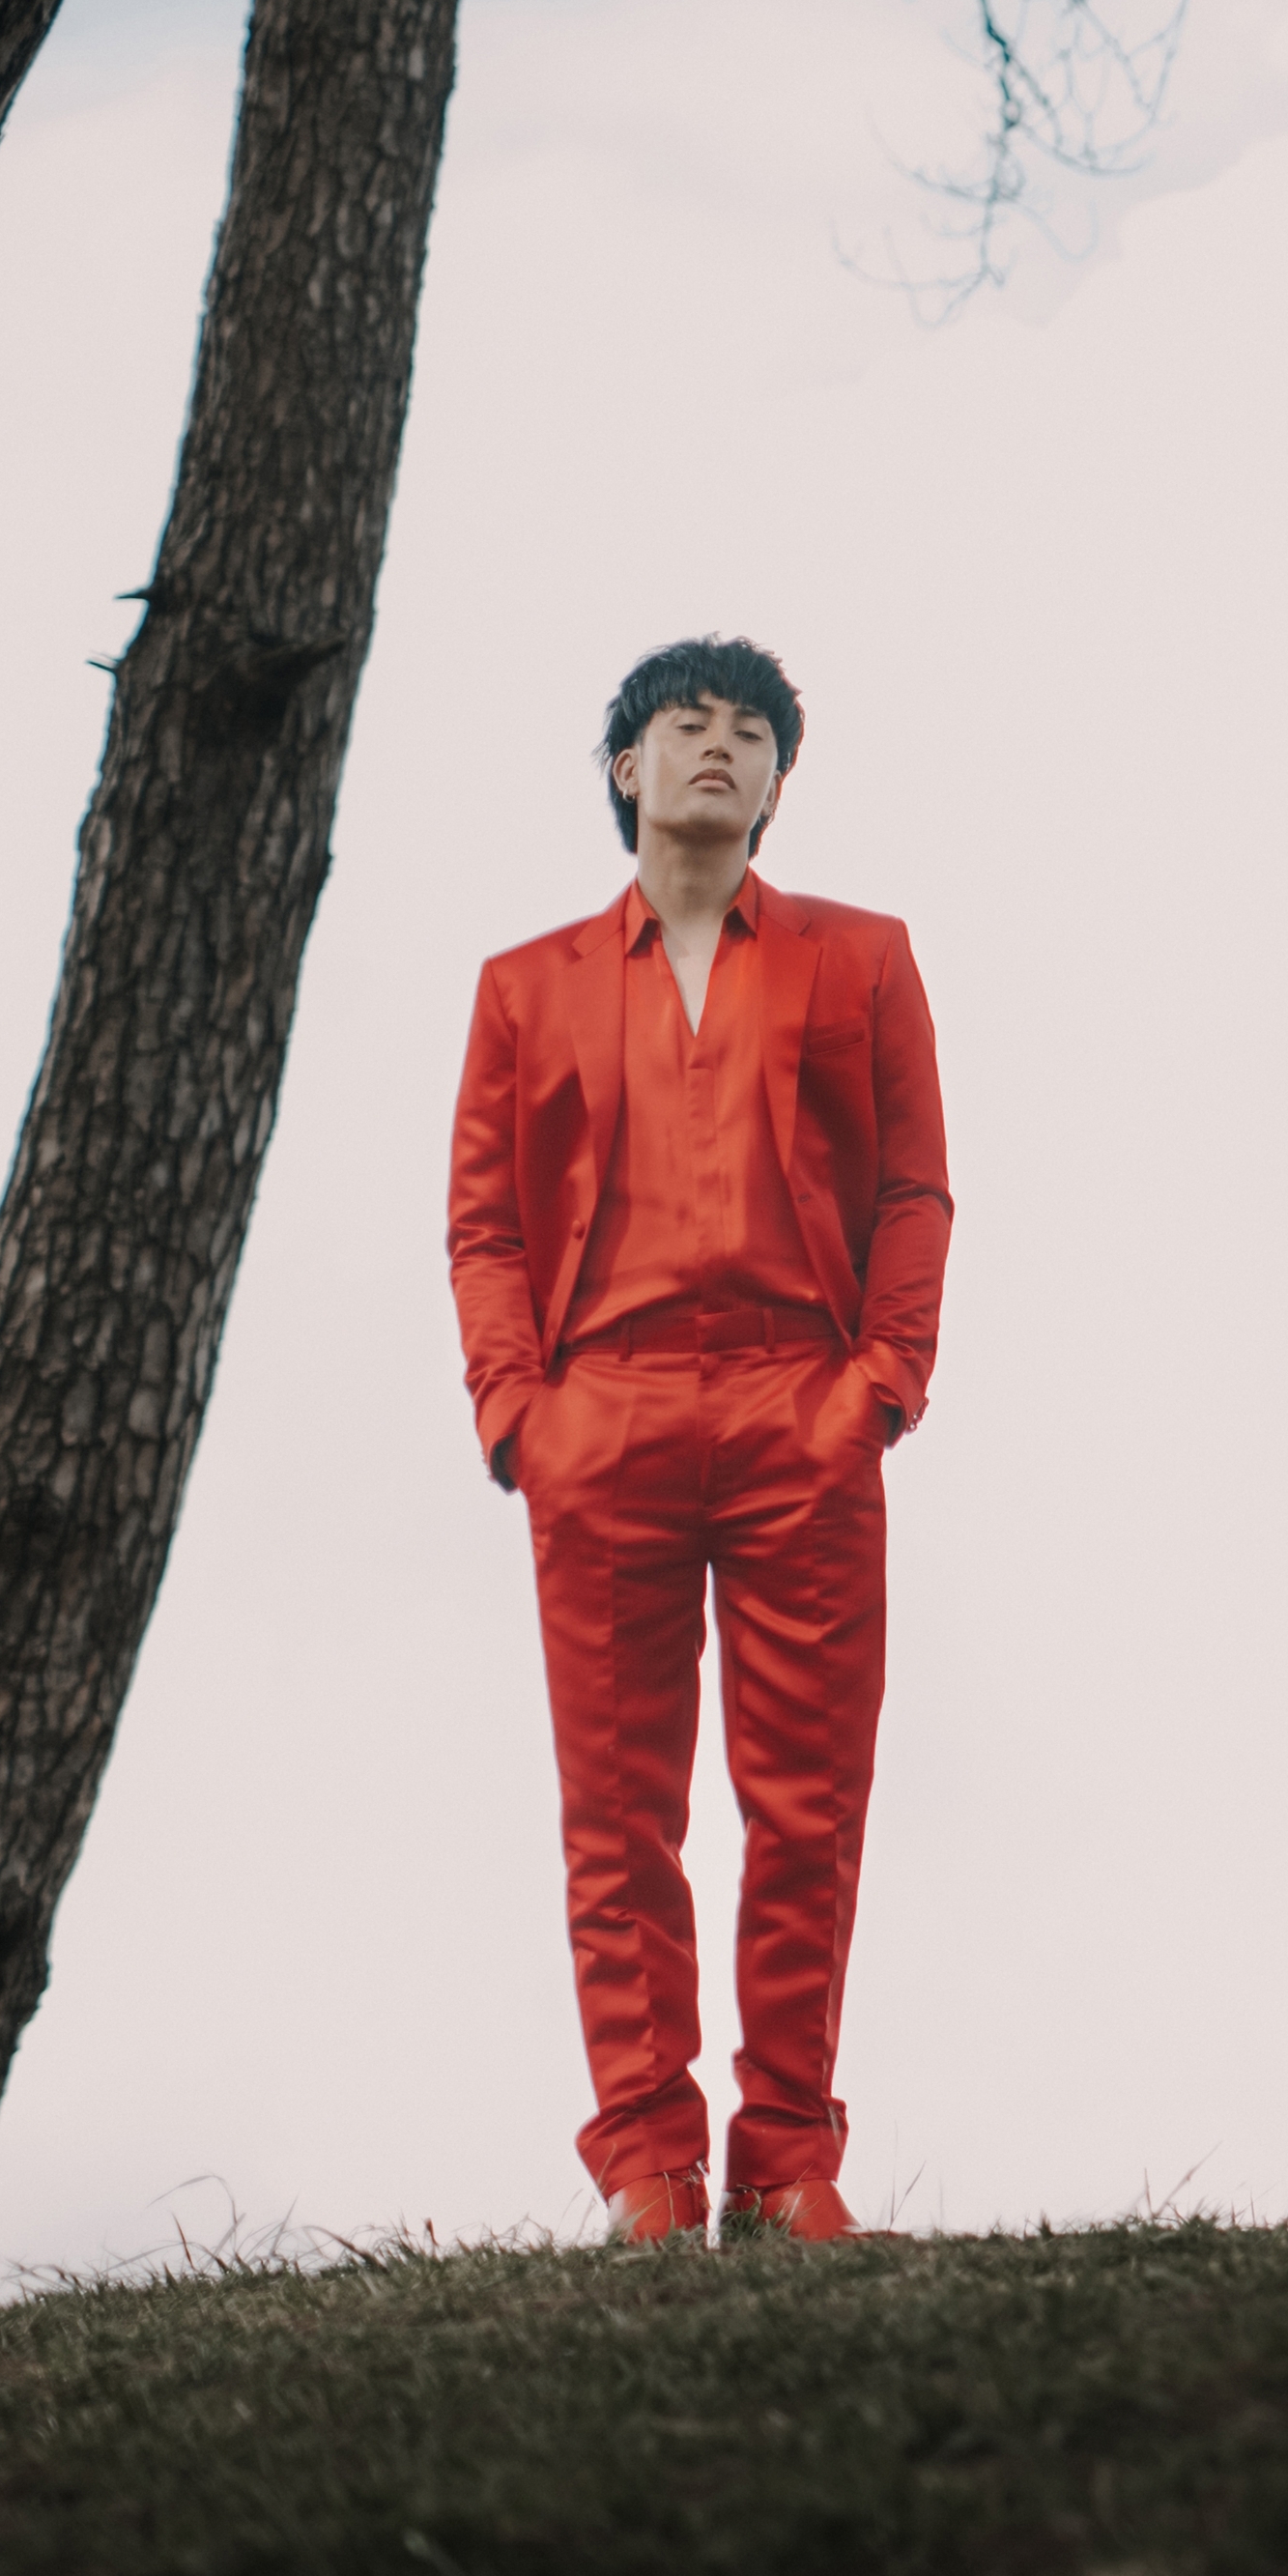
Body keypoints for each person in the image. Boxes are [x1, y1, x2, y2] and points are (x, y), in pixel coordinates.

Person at [446, 638, 951, 2247]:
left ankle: (788, 2157)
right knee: (619, 1812)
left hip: (801, 1404)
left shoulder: (861, 957)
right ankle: (648, 2164)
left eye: (753, 734)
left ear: (779, 786)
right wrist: (518, 1412)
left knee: (808, 1803)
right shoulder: (525, 986)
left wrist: (881, 1381)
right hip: (603, 1415)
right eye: (687, 726)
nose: (721, 749)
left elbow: (912, 1191)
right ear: (625, 769)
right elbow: (483, 1228)